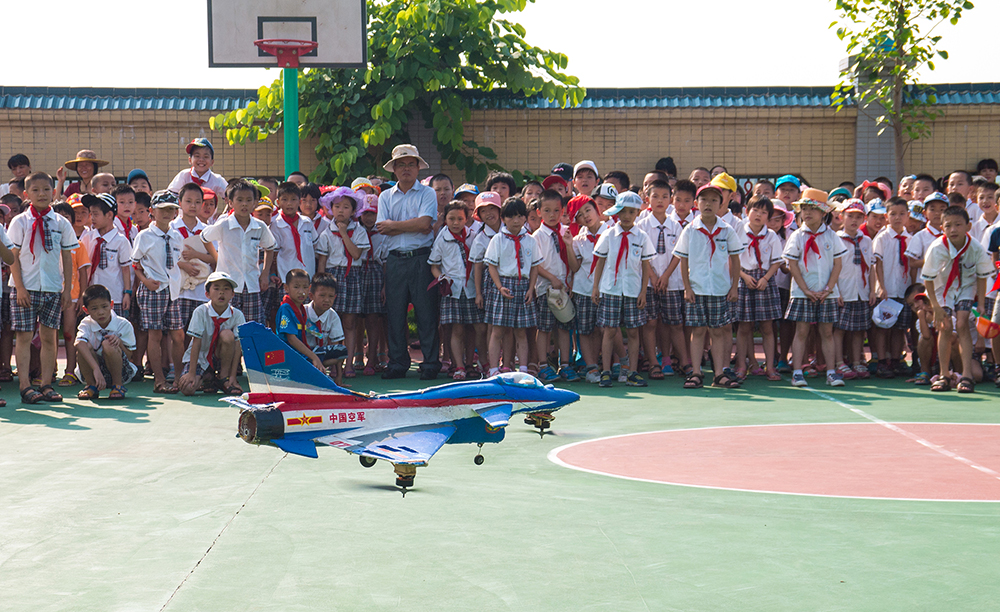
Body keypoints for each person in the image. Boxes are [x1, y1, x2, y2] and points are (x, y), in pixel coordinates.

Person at [9, 172, 76, 404]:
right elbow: (13, 257)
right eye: (35, 190)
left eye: (46, 189)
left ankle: (46, 384)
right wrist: (19, 287)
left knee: (49, 338)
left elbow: (67, 258)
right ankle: (26, 385)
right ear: (27, 194)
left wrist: (67, 290)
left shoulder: (61, 222)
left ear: (54, 192)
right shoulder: (20, 222)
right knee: (25, 337)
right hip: (25, 288)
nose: (42, 194)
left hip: (52, 288)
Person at [376, 144, 441, 380]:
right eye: (400, 164)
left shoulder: (427, 193)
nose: (406, 168)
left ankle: (431, 363)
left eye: (410, 164)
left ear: (418, 168)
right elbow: (382, 228)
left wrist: (395, 226)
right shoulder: (385, 196)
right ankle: (397, 363)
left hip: (422, 259)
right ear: (393, 169)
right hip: (394, 261)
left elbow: (426, 224)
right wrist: (406, 225)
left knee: (426, 314)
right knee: (394, 314)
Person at [674, 184, 744, 390]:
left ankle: (720, 372)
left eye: (714, 200)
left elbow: (735, 259)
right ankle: (696, 372)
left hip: (719, 288)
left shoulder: (727, 230)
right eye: (704, 200)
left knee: (718, 331)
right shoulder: (690, 230)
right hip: (697, 288)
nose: (708, 204)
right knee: (698, 330)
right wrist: (687, 287)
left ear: (721, 204)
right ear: (696, 204)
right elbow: (683, 260)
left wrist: (734, 287)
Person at [922, 206, 994, 393]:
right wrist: (935, 307)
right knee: (945, 326)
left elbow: (981, 275)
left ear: (968, 226)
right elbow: (928, 279)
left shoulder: (975, 247)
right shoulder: (937, 248)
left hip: (965, 288)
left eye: (958, 225)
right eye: (948, 226)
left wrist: (981, 304)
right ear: (942, 228)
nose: (953, 229)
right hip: (941, 289)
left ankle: (967, 375)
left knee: (962, 323)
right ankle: (944, 374)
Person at [783, 188, 847, 388]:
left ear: (823, 213)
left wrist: (828, 289)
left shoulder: (832, 237)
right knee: (801, 331)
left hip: (826, 293)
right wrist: (806, 290)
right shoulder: (797, 236)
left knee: (827, 332)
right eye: (804, 208)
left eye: (813, 208)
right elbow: (792, 265)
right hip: (803, 293)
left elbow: (838, 264)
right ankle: (797, 372)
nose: (807, 212)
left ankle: (830, 371)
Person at [591, 191, 655, 388]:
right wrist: (596, 287)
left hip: (633, 291)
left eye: (631, 212)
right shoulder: (609, 235)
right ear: (617, 212)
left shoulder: (642, 237)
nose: (627, 216)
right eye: (623, 211)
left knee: (634, 332)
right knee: (609, 331)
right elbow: (600, 262)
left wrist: (643, 291)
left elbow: (645, 266)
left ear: (637, 213)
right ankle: (607, 371)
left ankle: (632, 372)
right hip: (611, 289)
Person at [201, 179, 276, 325]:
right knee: (227, 326)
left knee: (254, 326)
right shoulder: (224, 224)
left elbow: (270, 247)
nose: (244, 204)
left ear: (255, 202)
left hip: (252, 284)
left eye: (249, 200)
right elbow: (204, 237)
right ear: (230, 202)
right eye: (239, 200)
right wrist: (217, 258)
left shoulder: (259, 226)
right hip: (228, 283)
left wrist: (265, 273)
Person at [131, 190, 185, 394]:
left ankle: (179, 378)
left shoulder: (176, 235)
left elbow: (176, 262)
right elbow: (135, 263)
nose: (167, 213)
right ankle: (159, 380)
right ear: (152, 211)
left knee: (177, 335)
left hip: (172, 290)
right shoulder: (144, 236)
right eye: (162, 209)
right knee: (154, 335)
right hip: (153, 290)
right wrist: (145, 281)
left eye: (171, 209)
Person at [484, 197, 541, 377]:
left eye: (519, 216)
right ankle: (493, 369)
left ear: (525, 217)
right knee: (497, 330)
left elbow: (534, 267)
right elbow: (491, 265)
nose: (515, 221)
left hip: (523, 286)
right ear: (503, 218)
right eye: (510, 217)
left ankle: (523, 369)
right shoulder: (498, 240)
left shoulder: (530, 240)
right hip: (503, 285)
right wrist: (499, 286)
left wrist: (531, 289)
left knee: (521, 331)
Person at [429, 201, 485, 380]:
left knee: (472, 329)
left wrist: (478, 291)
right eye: (451, 218)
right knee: (456, 330)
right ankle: (458, 365)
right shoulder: (442, 238)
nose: (455, 222)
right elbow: (434, 265)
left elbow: (479, 263)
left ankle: (470, 364)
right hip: (452, 290)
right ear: (445, 219)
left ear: (466, 219)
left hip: (470, 289)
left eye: (460, 218)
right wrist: (441, 278)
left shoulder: (474, 236)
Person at [316, 187, 368, 377]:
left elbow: (356, 254)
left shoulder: (359, 231)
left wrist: (345, 233)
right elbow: (322, 261)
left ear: (353, 211)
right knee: (330, 320)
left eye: (346, 207)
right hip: (332, 277)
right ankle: (333, 363)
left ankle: (349, 363)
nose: (340, 211)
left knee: (350, 322)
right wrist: (321, 285)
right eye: (337, 206)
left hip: (352, 276)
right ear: (330, 209)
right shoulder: (326, 233)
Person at [636, 179, 685, 380]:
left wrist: (665, 276)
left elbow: (678, 254)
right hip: (648, 282)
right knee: (650, 322)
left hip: (672, 282)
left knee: (673, 323)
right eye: (655, 196)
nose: (660, 200)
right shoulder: (641, 224)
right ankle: (653, 362)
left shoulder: (676, 225)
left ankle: (675, 360)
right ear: (647, 199)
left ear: (671, 200)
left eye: (665, 196)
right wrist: (654, 276)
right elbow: (640, 255)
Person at [531, 190, 579, 382]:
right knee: (544, 328)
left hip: (564, 290)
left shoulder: (566, 233)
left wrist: (568, 244)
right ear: (539, 212)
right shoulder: (538, 236)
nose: (552, 215)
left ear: (562, 211)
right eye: (547, 210)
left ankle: (565, 364)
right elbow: (536, 264)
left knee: (564, 327)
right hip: (545, 289)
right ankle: (543, 365)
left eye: (556, 210)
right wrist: (552, 278)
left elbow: (574, 265)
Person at [734, 195, 783, 381]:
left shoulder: (771, 236)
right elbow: (734, 259)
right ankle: (741, 365)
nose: (758, 215)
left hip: (765, 281)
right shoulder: (738, 232)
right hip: (744, 278)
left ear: (768, 217)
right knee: (744, 327)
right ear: (747, 211)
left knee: (767, 327)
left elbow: (777, 262)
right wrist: (744, 277)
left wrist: (765, 278)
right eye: (755, 210)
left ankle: (770, 367)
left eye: (764, 213)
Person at [178, 271, 246, 396]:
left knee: (227, 335)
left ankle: (223, 378)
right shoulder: (200, 312)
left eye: (226, 289)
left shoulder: (237, 315)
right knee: (187, 388)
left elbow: (238, 346)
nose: (221, 292)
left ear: (232, 294)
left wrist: (233, 376)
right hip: (200, 359)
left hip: (222, 358)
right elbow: (196, 343)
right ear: (207, 294)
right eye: (216, 288)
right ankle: (208, 378)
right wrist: (192, 373)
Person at [834, 199, 876, 380]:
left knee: (859, 329)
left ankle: (857, 360)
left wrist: (872, 290)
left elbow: (871, 267)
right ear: (841, 216)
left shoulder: (866, 240)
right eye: (850, 216)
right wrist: (835, 291)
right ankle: (838, 362)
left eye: (858, 217)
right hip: (844, 290)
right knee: (839, 329)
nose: (853, 220)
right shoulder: (836, 239)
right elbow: (832, 267)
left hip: (862, 291)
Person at [74, 284, 139, 401]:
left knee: (108, 344)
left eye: (104, 306)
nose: (100, 312)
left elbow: (129, 355)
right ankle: (91, 385)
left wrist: (118, 343)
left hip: (120, 370)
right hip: (95, 372)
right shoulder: (85, 324)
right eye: (94, 308)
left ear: (112, 305)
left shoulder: (123, 324)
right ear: (86, 310)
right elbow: (79, 344)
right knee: (83, 346)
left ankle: (117, 385)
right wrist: (96, 369)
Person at [872, 197, 913, 378]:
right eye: (893, 214)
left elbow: (912, 265)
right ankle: (882, 362)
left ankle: (896, 360)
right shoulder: (882, 237)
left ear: (908, 216)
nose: (898, 218)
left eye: (902, 214)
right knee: (883, 326)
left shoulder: (910, 239)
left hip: (904, 289)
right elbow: (877, 263)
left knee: (899, 328)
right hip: (887, 289)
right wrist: (881, 287)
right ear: (887, 217)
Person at [171, 184, 218, 334]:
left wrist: (196, 255)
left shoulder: (207, 230)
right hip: (178, 290)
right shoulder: (171, 228)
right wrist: (183, 265)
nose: (193, 205)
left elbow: (215, 258)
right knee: (177, 334)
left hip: (200, 290)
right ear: (180, 202)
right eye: (188, 201)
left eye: (198, 202)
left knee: (197, 333)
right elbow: (162, 257)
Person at [570, 196, 606, 383]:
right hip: (583, 289)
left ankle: (614, 363)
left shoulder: (610, 233)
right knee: (585, 329)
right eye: (580, 215)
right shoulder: (578, 240)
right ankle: (591, 367)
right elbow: (575, 267)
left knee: (606, 329)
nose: (586, 216)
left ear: (597, 209)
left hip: (606, 288)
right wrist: (568, 244)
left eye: (588, 210)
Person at [82, 193, 132, 317]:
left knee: (115, 330)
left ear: (109, 215)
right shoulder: (88, 238)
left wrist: (127, 293)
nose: (92, 218)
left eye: (96, 214)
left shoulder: (121, 241)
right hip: (91, 295)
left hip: (114, 296)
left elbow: (126, 269)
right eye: (91, 214)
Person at [276, 268, 330, 373]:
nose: (301, 292)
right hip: (288, 354)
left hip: (301, 353)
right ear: (286, 288)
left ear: (309, 288)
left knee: (340, 351)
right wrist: (314, 357)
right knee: (317, 362)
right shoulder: (286, 308)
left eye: (305, 287)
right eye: (296, 287)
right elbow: (291, 339)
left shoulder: (301, 308)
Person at [304, 272, 348, 385]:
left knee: (342, 350)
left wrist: (339, 376)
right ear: (311, 296)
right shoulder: (302, 312)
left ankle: (319, 371)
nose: (327, 300)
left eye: (330, 296)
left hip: (320, 354)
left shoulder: (333, 316)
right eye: (322, 295)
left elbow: (336, 345)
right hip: (302, 354)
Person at [271, 182, 319, 281]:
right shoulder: (276, 225)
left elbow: (315, 246)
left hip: (308, 275)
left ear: (299, 201)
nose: (289, 203)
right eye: (285, 199)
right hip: (286, 277)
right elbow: (274, 254)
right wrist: (273, 273)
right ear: (278, 202)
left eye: (293, 199)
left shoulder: (307, 222)